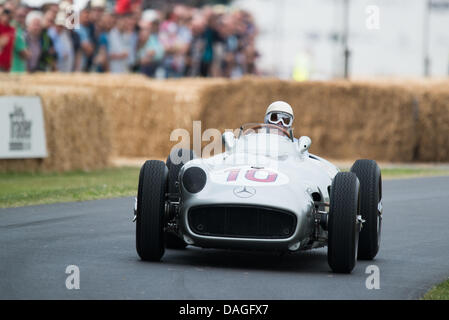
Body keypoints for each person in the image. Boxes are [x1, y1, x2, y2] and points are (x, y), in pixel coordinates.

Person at [0, 7, 15, 72]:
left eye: (9, 17)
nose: (7, 19)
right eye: (5, 16)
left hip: (8, 64)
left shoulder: (12, 29)